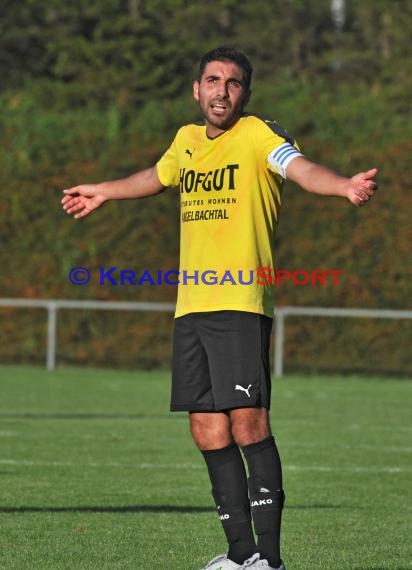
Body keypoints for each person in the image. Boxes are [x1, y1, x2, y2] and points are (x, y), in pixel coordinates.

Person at [61, 47, 378, 570]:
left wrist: (343, 185)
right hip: (191, 308)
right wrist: (104, 192)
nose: (221, 91)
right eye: (213, 80)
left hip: (239, 303)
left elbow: (299, 168)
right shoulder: (186, 142)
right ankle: (239, 554)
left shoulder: (258, 135)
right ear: (196, 89)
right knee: (206, 429)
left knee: (248, 422)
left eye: (233, 83)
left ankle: (269, 560)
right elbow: (157, 177)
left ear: (244, 94)